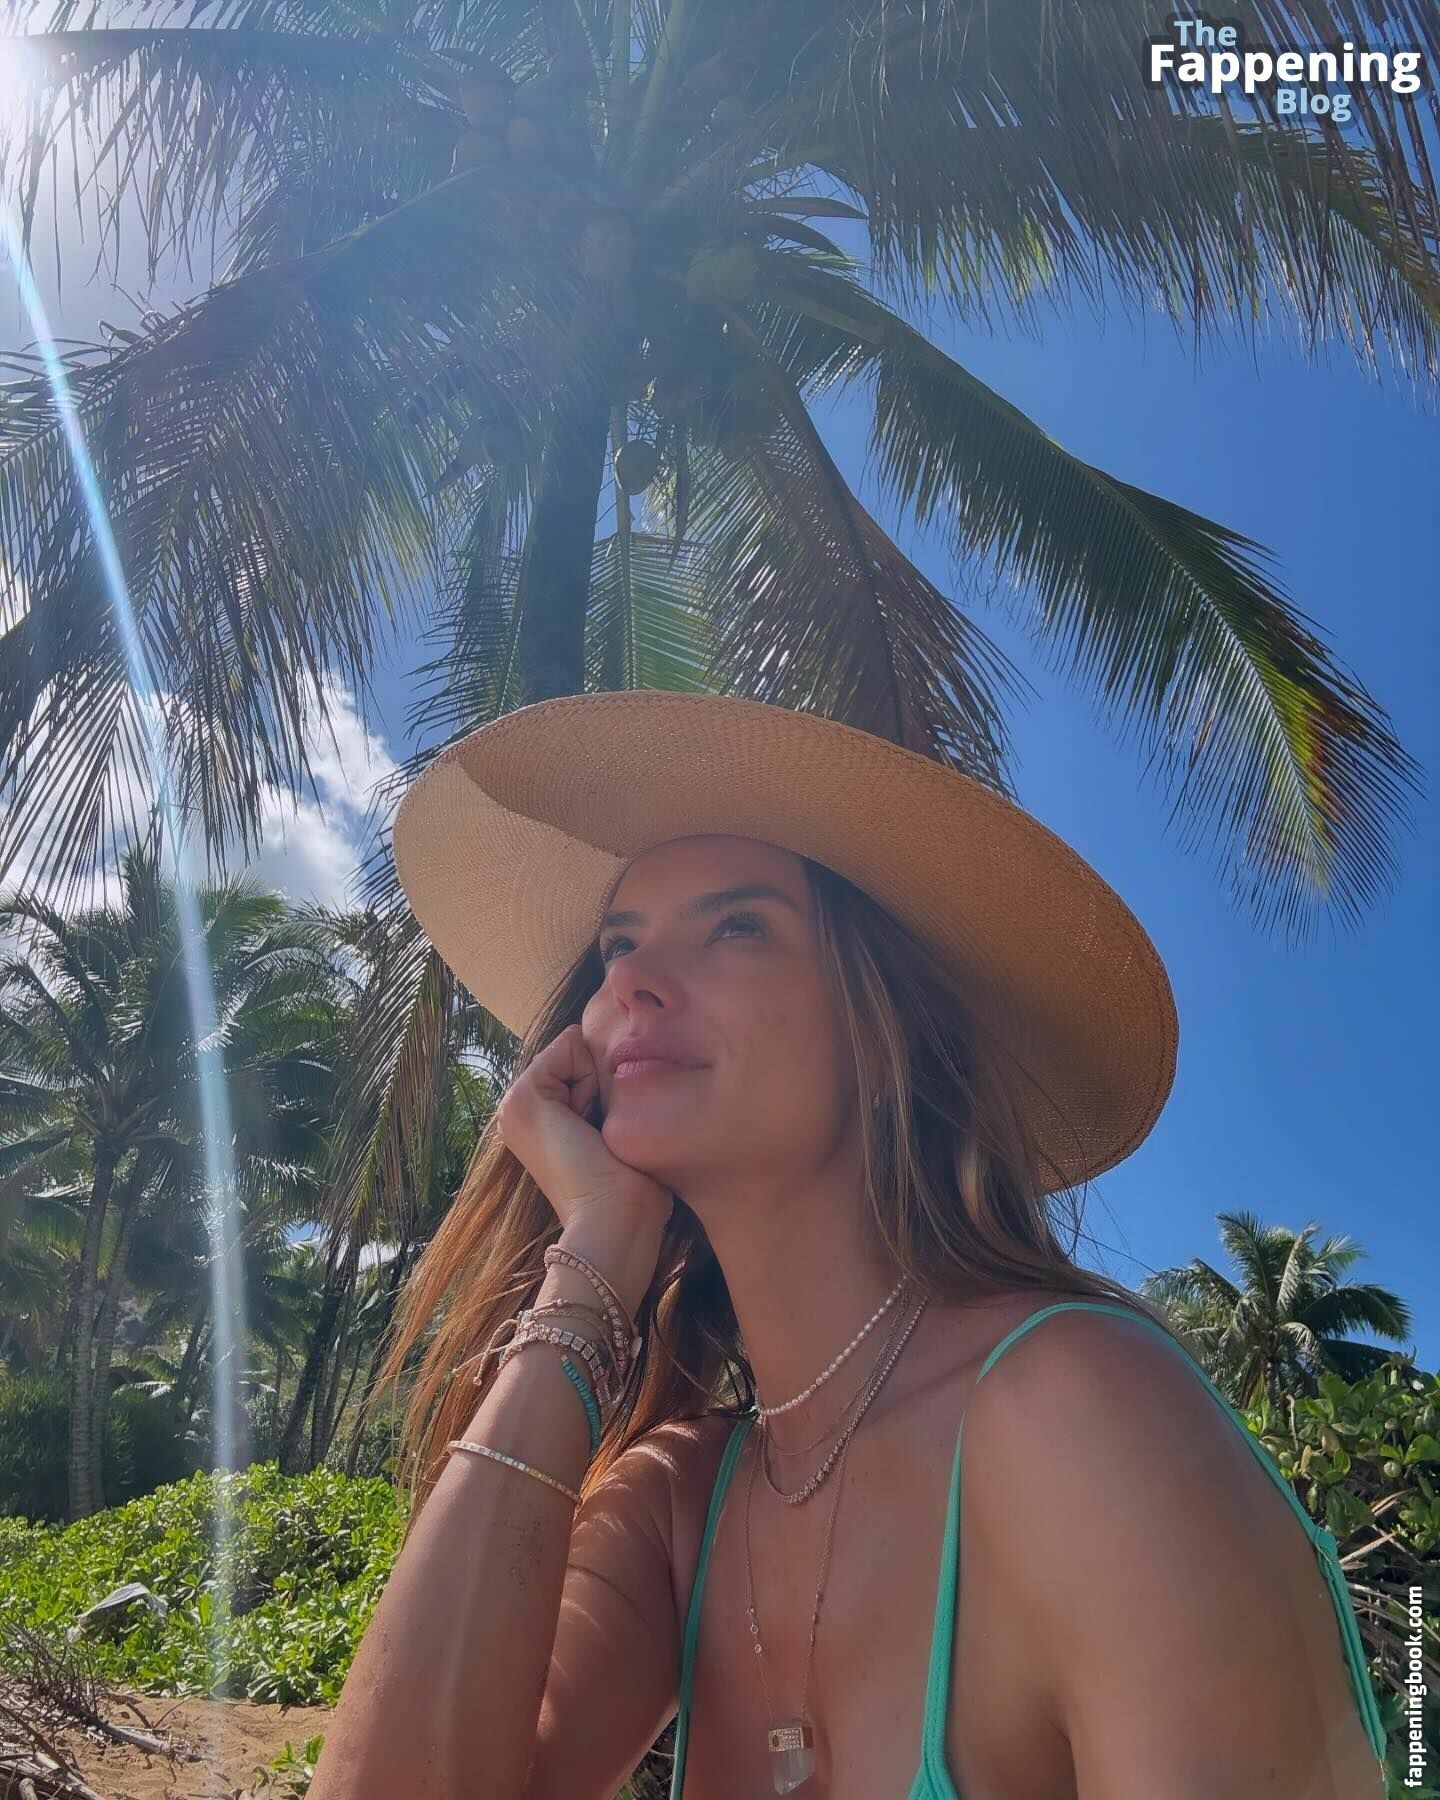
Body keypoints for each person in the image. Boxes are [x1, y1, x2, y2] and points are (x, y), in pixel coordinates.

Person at [310, 691, 1388, 1800]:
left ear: (887, 1040)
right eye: (617, 944)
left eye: (737, 927)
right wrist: (594, 1254)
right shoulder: (681, 1502)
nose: (625, 980)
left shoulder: (1075, 1414)